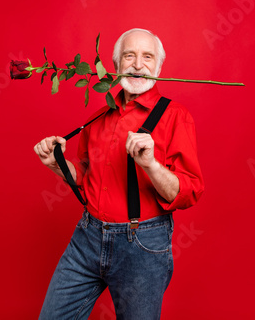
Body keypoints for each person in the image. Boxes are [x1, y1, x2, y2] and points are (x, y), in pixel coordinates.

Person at [34, 28, 204, 319]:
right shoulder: (99, 117)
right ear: (115, 66)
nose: (138, 64)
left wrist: (150, 164)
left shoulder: (176, 116)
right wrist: (56, 163)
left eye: (147, 57)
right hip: (87, 237)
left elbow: (188, 192)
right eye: (130, 55)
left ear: (159, 67)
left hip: (141, 245)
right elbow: (85, 177)